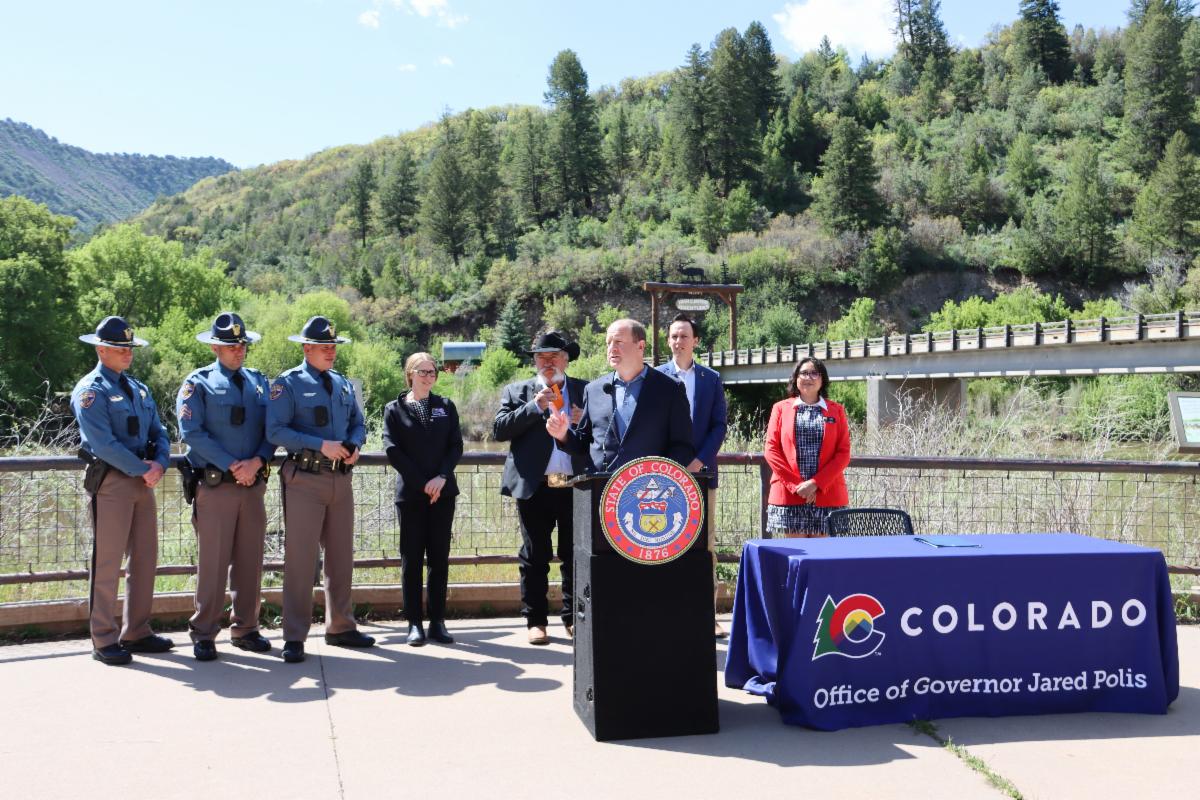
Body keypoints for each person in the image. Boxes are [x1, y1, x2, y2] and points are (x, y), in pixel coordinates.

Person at [267, 316, 374, 663]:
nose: (331, 353)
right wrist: (319, 444)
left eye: (334, 347)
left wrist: (355, 443)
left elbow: (359, 422)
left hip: (340, 479)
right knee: (300, 560)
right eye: (325, 347)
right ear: (306, 348)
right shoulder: (288, 384)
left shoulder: (342, 384)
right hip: (305, 479)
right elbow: (276, 431)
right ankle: (295, 636)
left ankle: (341, 626)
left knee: (342, 558)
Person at [71, 316, 175, 666]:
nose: (127, 353)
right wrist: (143, 469)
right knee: (107, 564)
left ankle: (137, 631)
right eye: (119, 348)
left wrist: (160, 462)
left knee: (145, 560)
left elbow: (160, 432)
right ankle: (103, 639)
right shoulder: (91, 390)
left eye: (129, 347)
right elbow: (102, 443)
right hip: (113, 482)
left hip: (143, 481)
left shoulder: (139, 388)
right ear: (101, 350)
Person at [176, 312, 275, 661]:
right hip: (216, 486)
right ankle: (204, 632)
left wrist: (258, 462)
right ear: (216, 346)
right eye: (231, 345)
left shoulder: (259, 383)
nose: (238, 350)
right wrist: (233, 465)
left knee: (251, 562)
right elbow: (192, 434)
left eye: (242, 344)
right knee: (213, 564)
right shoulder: (198, 383)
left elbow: (271, 431)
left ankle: (246, 628)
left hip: (252, 486)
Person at [493, 331, 589, 646]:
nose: (548, 363)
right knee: (535, 555)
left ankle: (573, 618)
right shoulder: (517, 391)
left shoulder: (586, 391)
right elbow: (499, 430)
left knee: (574, 554)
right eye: (541, 357)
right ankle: (536, 622)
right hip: (534, 487)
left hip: (576, 485)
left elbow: (605, 434)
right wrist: (534, 407)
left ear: (566, 359)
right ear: (534, 360)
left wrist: (584, 420)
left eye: (554, 356)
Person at [382, 352, 463, 647]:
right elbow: (393, 450)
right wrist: (422, 484)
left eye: (433, 372)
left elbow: (456, 445)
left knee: (439, 558)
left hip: (443, 492)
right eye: (423, 372)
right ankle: (414, 623)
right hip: (412, 495)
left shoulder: (446, 406)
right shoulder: (395, 409)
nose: (429, 377)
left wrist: (441, 477)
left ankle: (437, 621)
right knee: (412, 559)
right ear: (410, 374)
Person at [656, 313, 729, 637]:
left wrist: (699, 461)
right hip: (663, 479)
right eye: (673, 336)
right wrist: (667, 466)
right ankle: (667, 612)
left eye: (684, 336)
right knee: (664, 544)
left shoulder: (711, 378)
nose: (678, 341)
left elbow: (718, 425)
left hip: (702, 477)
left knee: (704, 548)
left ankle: (707, 615)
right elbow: (652, 426)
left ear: (695, 341)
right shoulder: (655, 377)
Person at [547, 318, 694, 471]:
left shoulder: (670, 388)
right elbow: (584, 444)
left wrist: (660, 477)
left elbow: (682, 447)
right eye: (608, 343)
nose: (612, 348)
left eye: (618, 342)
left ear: (641, 346)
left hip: (649, 488)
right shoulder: (594, 390)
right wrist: (563, 434)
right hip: (601, 488)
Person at [763, 357, 851, 537]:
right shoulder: (780, 408)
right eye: (803, 373)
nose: (808, 377)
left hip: (827, 494)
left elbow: (843, 453)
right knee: (797, 556)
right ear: (795, 378)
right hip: (790, 494)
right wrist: (797, 486)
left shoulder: (837, 410)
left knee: (822, 558)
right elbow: (771, 450)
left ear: (822, 379)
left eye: (814, 373)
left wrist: (815, 484)